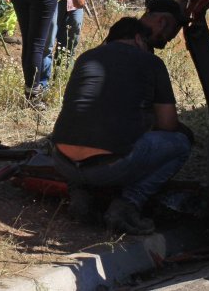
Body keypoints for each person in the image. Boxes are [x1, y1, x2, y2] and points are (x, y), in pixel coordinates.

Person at [50, 17, 191, 235]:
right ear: (138, 38)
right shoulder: (151, 62)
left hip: (61, 161)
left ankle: (80, 194)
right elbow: (168, 123)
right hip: (110, 168)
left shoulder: (85, 57)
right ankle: (127, 205)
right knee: (181, 143)